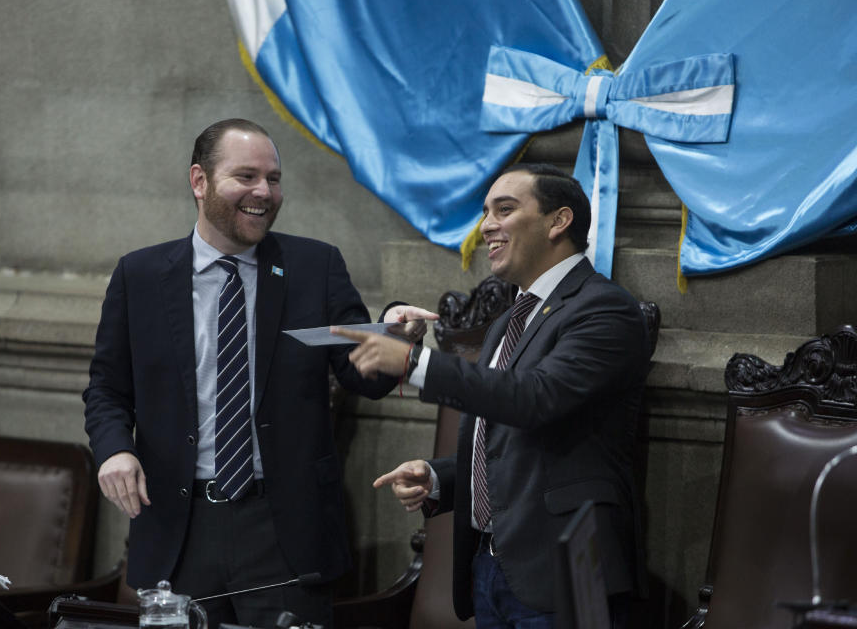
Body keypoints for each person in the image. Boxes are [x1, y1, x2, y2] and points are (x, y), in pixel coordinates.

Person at [83, 118, 435, 628]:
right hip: (179, 526)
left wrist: (399, 333)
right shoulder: (140, 276)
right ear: (199, 181)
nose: (264, 192)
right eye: (246, 177)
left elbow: (366, 377)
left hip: (282, 527)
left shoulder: (314, 267)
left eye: (273, 179)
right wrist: (114, 449)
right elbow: (107, 388)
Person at [333, 163, 650, 628]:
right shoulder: (510, 318)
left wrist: (412, 363)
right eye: (485, 213)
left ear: (558, 221)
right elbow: (511, 439)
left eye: (505, 209)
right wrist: (441, 478)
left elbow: (535, 399)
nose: (487, 227)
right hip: (491, 570)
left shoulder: (604, 308)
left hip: (569, 570)